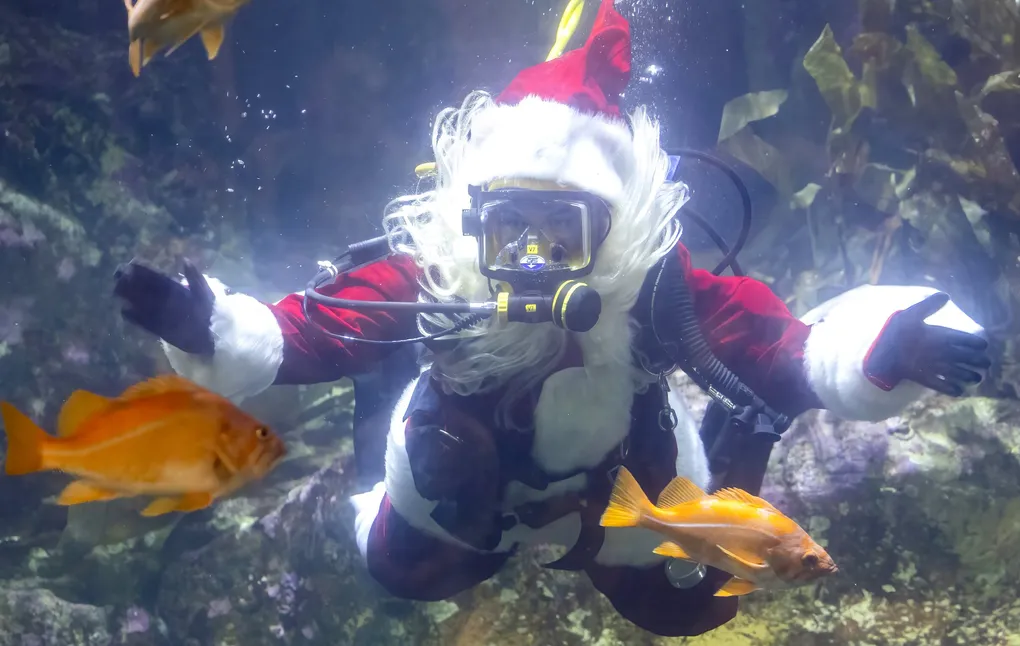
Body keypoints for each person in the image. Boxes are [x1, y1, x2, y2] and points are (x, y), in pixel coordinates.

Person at [112, 0, 990, 636]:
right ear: (473, 218)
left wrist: (882, 349)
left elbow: (778, 344)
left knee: (688, 613)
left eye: (559, 233)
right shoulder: (440, 276)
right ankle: (395, 435)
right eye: (511, 229)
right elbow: (309, 327)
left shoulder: (654, 284)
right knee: (401, 573)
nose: (531, 257)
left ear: (610, 231)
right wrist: (211, 327)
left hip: (625, 482)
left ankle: (743, 432)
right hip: (468, 484)